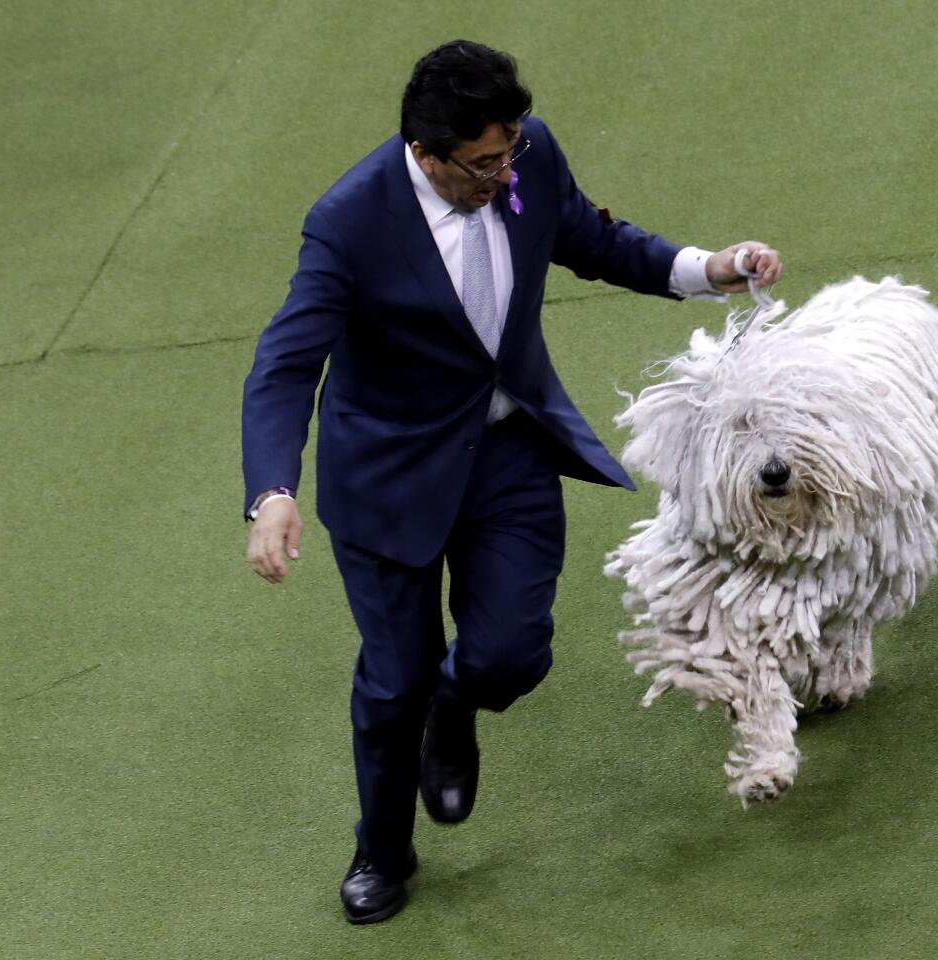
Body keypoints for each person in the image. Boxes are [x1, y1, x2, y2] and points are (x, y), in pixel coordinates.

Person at [241, 39, 782, 924]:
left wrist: (708, 269)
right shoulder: (348, 221)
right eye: (485, 162)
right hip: (388, 480)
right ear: (428, 154)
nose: (505, 172)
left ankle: (453, 709)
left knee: (510, 656)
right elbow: (284, 367)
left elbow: (593, 239)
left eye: (512, 151)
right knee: (392, 680)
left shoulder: (524, 157)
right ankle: (382, 851)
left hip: (504, 451)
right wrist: (272, 492)